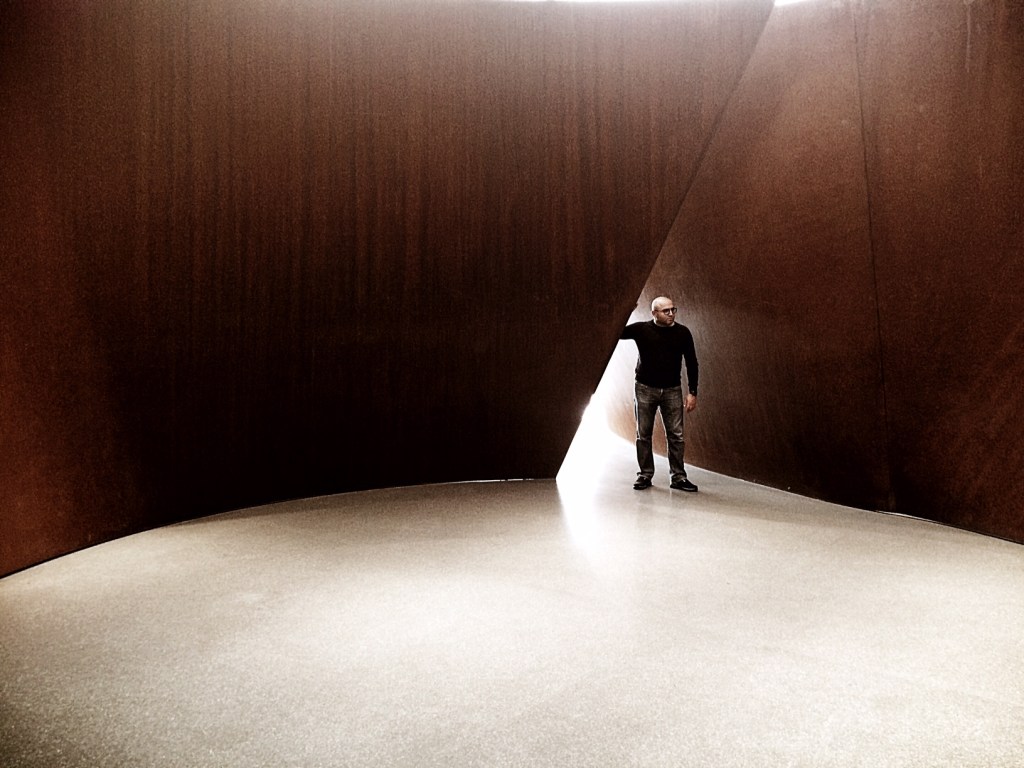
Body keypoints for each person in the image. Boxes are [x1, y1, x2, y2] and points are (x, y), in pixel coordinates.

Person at [620, 296, 699, 492]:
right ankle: (645, 474)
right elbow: (617, 332)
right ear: (654, 313)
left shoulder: (682, 333)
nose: (671, 314)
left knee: (676, 435)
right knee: (643, 434)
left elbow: (692, 362)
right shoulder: (641, 329)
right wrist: (627, 310)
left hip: (672, 390)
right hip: (645, 388)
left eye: (673, 310)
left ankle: (678, 477)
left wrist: (692, 392)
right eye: (666, 311)